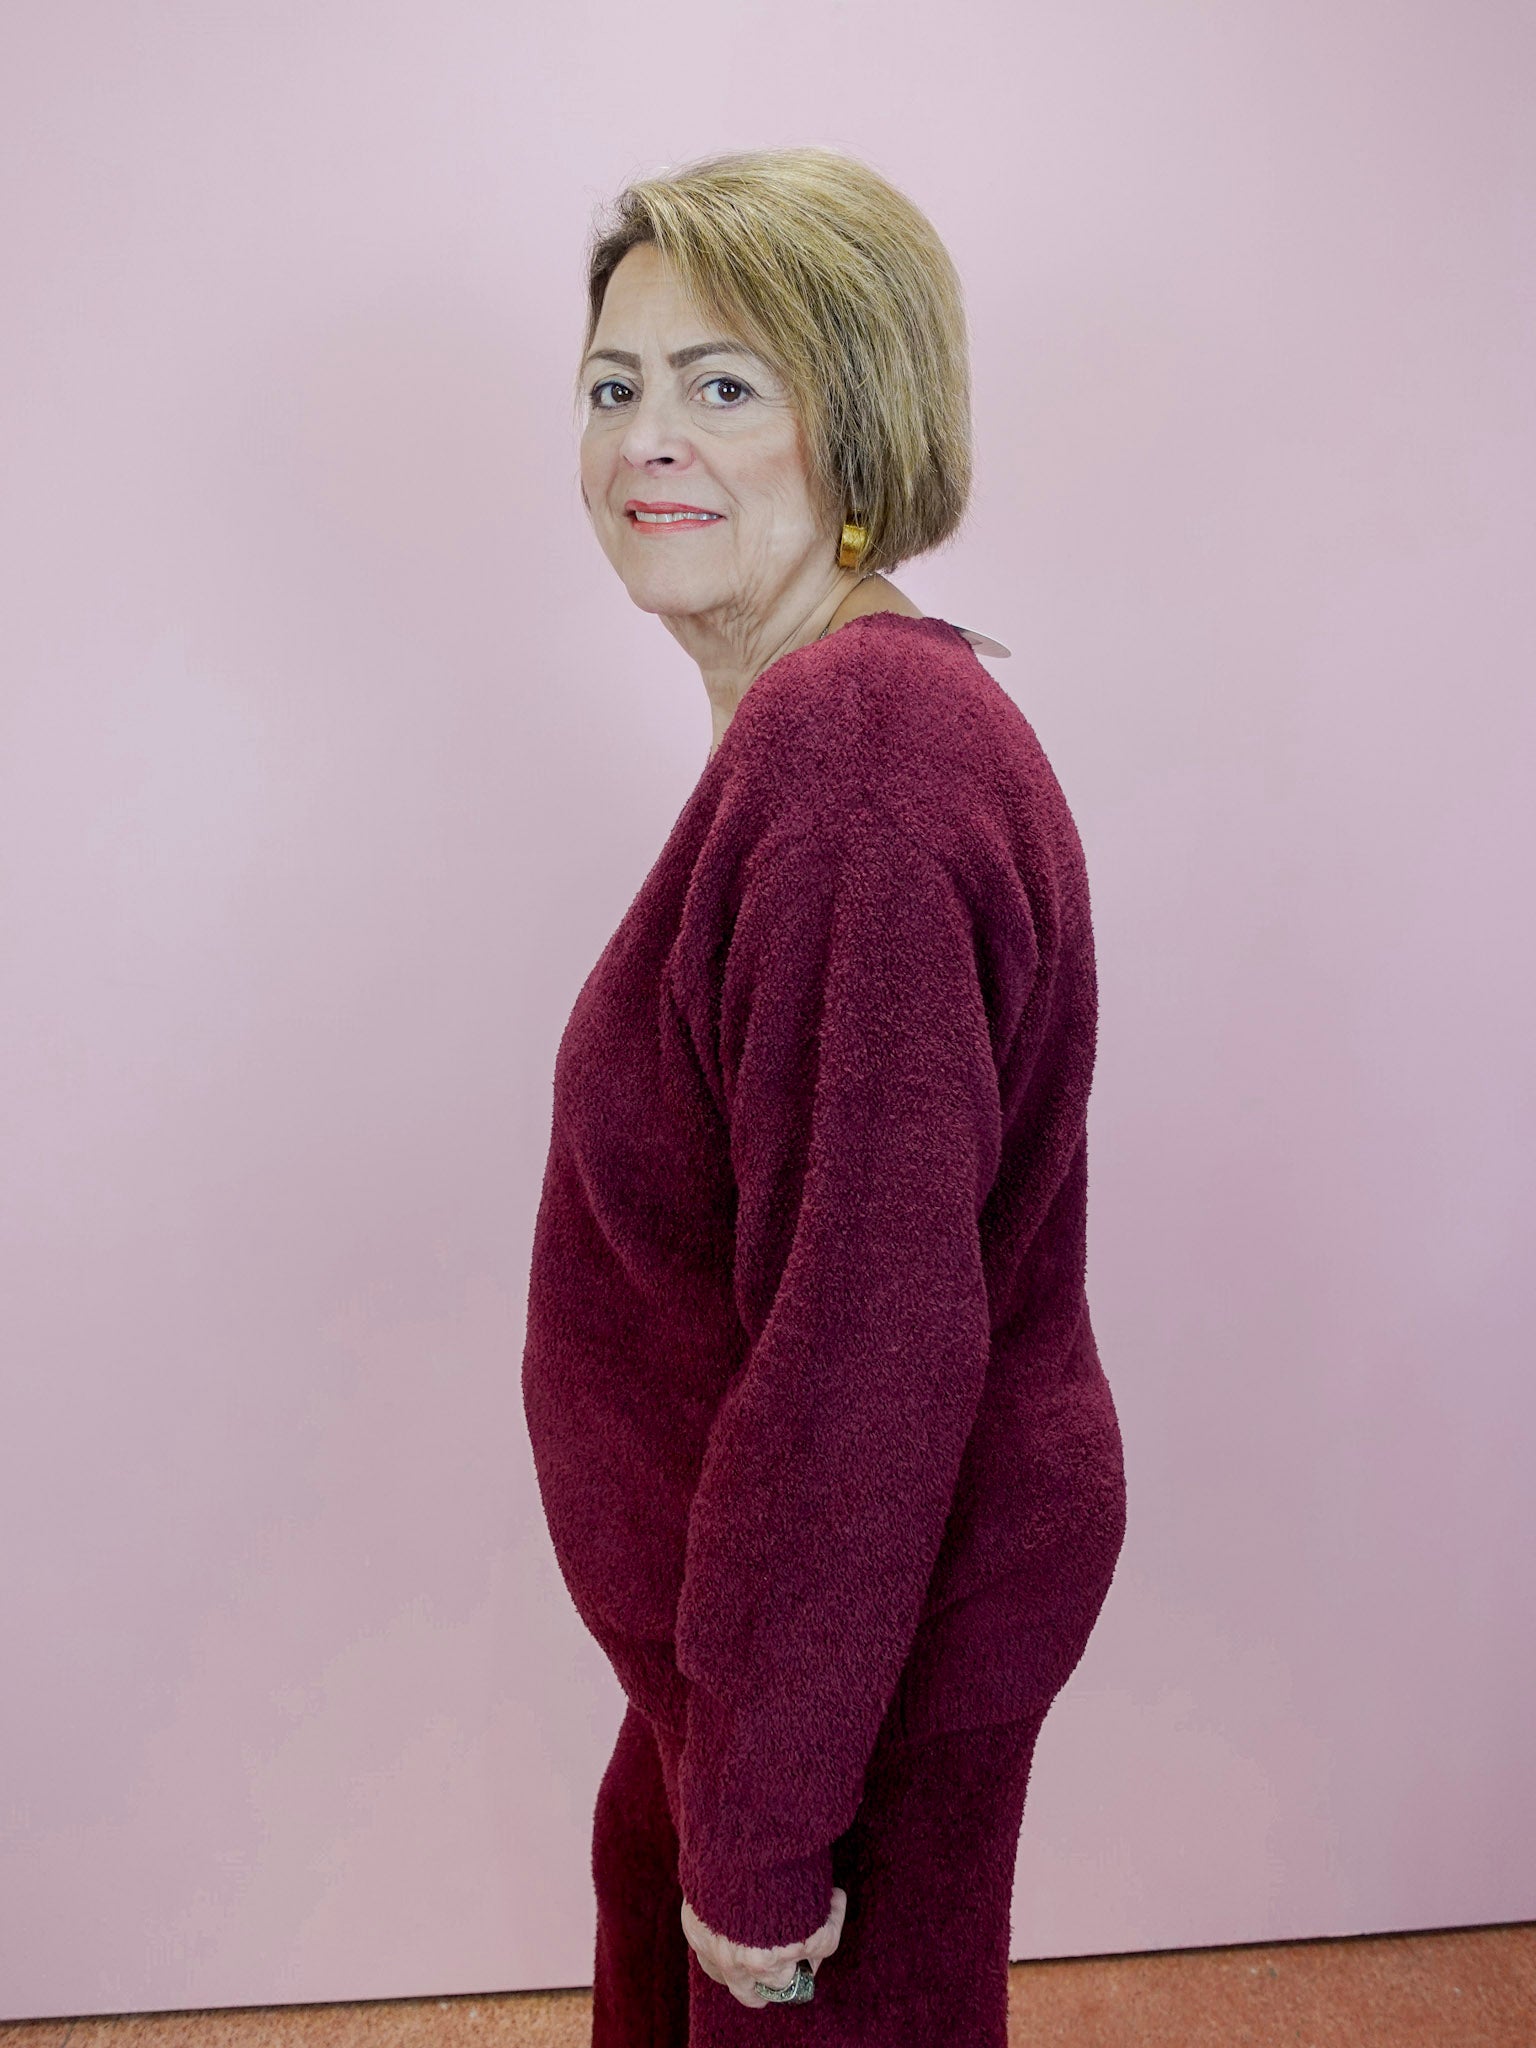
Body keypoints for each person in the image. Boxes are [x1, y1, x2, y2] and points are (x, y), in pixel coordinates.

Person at [521, 145, 1128, 2045]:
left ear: (859, 430)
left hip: (847, 1672)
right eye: (615, 384)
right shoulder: (832, 730)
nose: (648, 438)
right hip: (768, 1650)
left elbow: (866, 1335)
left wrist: (768, 1836)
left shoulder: (859, 754)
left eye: (725, 382)